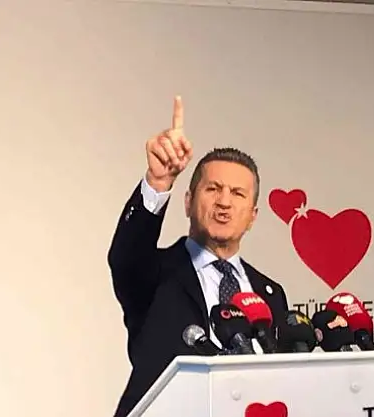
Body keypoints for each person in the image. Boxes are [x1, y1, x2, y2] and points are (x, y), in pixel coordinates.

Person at [107, 96, 290, 417]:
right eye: (213, 189)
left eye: (238, 194)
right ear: (188, 202)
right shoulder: (155, 273)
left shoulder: (271, 294)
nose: (224, 202)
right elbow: (126, 255)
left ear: (253, 216)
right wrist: (158, 182)